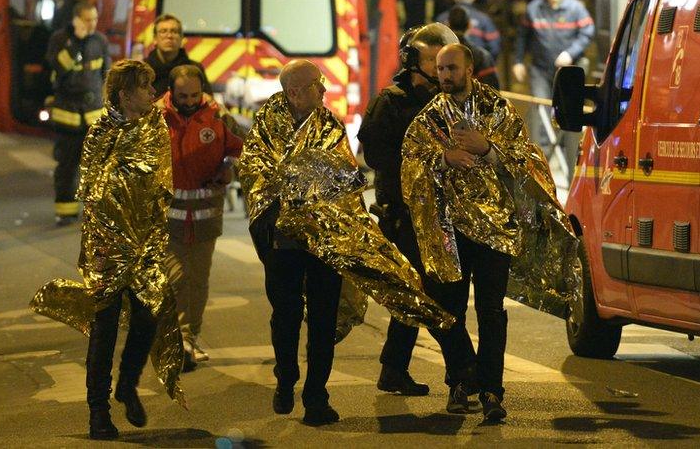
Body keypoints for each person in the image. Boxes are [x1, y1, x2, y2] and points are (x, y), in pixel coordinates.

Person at [238, 60, 453, 426]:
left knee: (323, 319)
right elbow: (255, 173)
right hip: (284, 241)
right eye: (317, 85)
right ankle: (286, 376)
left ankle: (316, 396)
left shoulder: (329, 124)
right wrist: (292, 192)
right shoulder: (267, 125)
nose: (324, 90)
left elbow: (345, 174)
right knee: (286, 315)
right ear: (294, 93)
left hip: (328, 239)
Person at [403, 44, 581, 423]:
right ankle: (460, 381)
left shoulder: (498, 111)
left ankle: (491, 392)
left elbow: (528, 160)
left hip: (495, 230)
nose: (445, 75)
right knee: (448, 310)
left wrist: (488, 149)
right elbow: (410, 163)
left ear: (469, 68)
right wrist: (443, 158)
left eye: (451, 68)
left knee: (491, 313)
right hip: (448, 230)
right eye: (440, 69)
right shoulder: (430, 118)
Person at [31, 60, 185, 440]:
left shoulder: (155, 128)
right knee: (104, 328)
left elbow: (161, 182)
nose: (153, 94)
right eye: (146, 88)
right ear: (125, 94)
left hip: (146, 240)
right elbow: (92, 187)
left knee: (148, 318)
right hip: (108, 243)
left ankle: (127, 384)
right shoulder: (101, 131)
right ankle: (98, 411)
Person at [358, 23, 479, 406]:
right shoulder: (391, 103)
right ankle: (465, 375)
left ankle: (393, 367)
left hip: (446, 214)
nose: (442, 67)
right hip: (406, 215)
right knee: (436, 294)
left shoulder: (445, 102)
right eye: (433, 60)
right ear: (414, 62)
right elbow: (378, 157)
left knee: (415, 293)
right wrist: (425, 162)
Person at [162, 64, 243, 372]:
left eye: (195, 94)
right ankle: (178, 340)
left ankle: (190, 337)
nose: (189, 100)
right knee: (176, 280)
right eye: (182, 95)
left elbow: (240, 147)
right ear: (171, 92)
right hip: (169, 219)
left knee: (198, 280)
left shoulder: (218, 115)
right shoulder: (156, 119)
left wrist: (228, 167)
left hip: (207, 216)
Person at [512, 0, 595, 148]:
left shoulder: (576, 9)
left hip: (568, 71)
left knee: (567, 111)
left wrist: (570, 53)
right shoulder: (533, 8)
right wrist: (518, 61)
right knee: (541, 108)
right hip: (540, 69)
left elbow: (587, 32)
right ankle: (543, 154)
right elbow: (522, 36)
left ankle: (568, 151)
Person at [46, 0, 110, 226]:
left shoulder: (100, 41)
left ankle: (97, 212)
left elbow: (106, 75)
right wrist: (75, 43)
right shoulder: (60, 40)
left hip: (94, 116)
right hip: (68, 117)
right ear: (76, 20)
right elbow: (59, 67)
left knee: (99, 168)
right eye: (87, 19)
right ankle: (66, 212)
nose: (92, 24)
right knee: (67, 167)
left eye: (94, 19)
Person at [435, 0, 502, 59]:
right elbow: (494, 47)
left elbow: (434, 46)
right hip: (476, 65)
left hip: (448, 65)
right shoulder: (484, 19)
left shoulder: (441, 19)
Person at [145, 13, 206, 97]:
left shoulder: (195, 69)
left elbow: (207, 102)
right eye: (163, 31)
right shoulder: (143, 70)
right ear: (155, 38)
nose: (169, 36)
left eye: (174, 32)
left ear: (181, 38)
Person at [445, 6, 499, 89]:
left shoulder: (437, 54)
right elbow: (493, 90)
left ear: (447, 25)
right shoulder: (482, 56)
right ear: (469, 25)